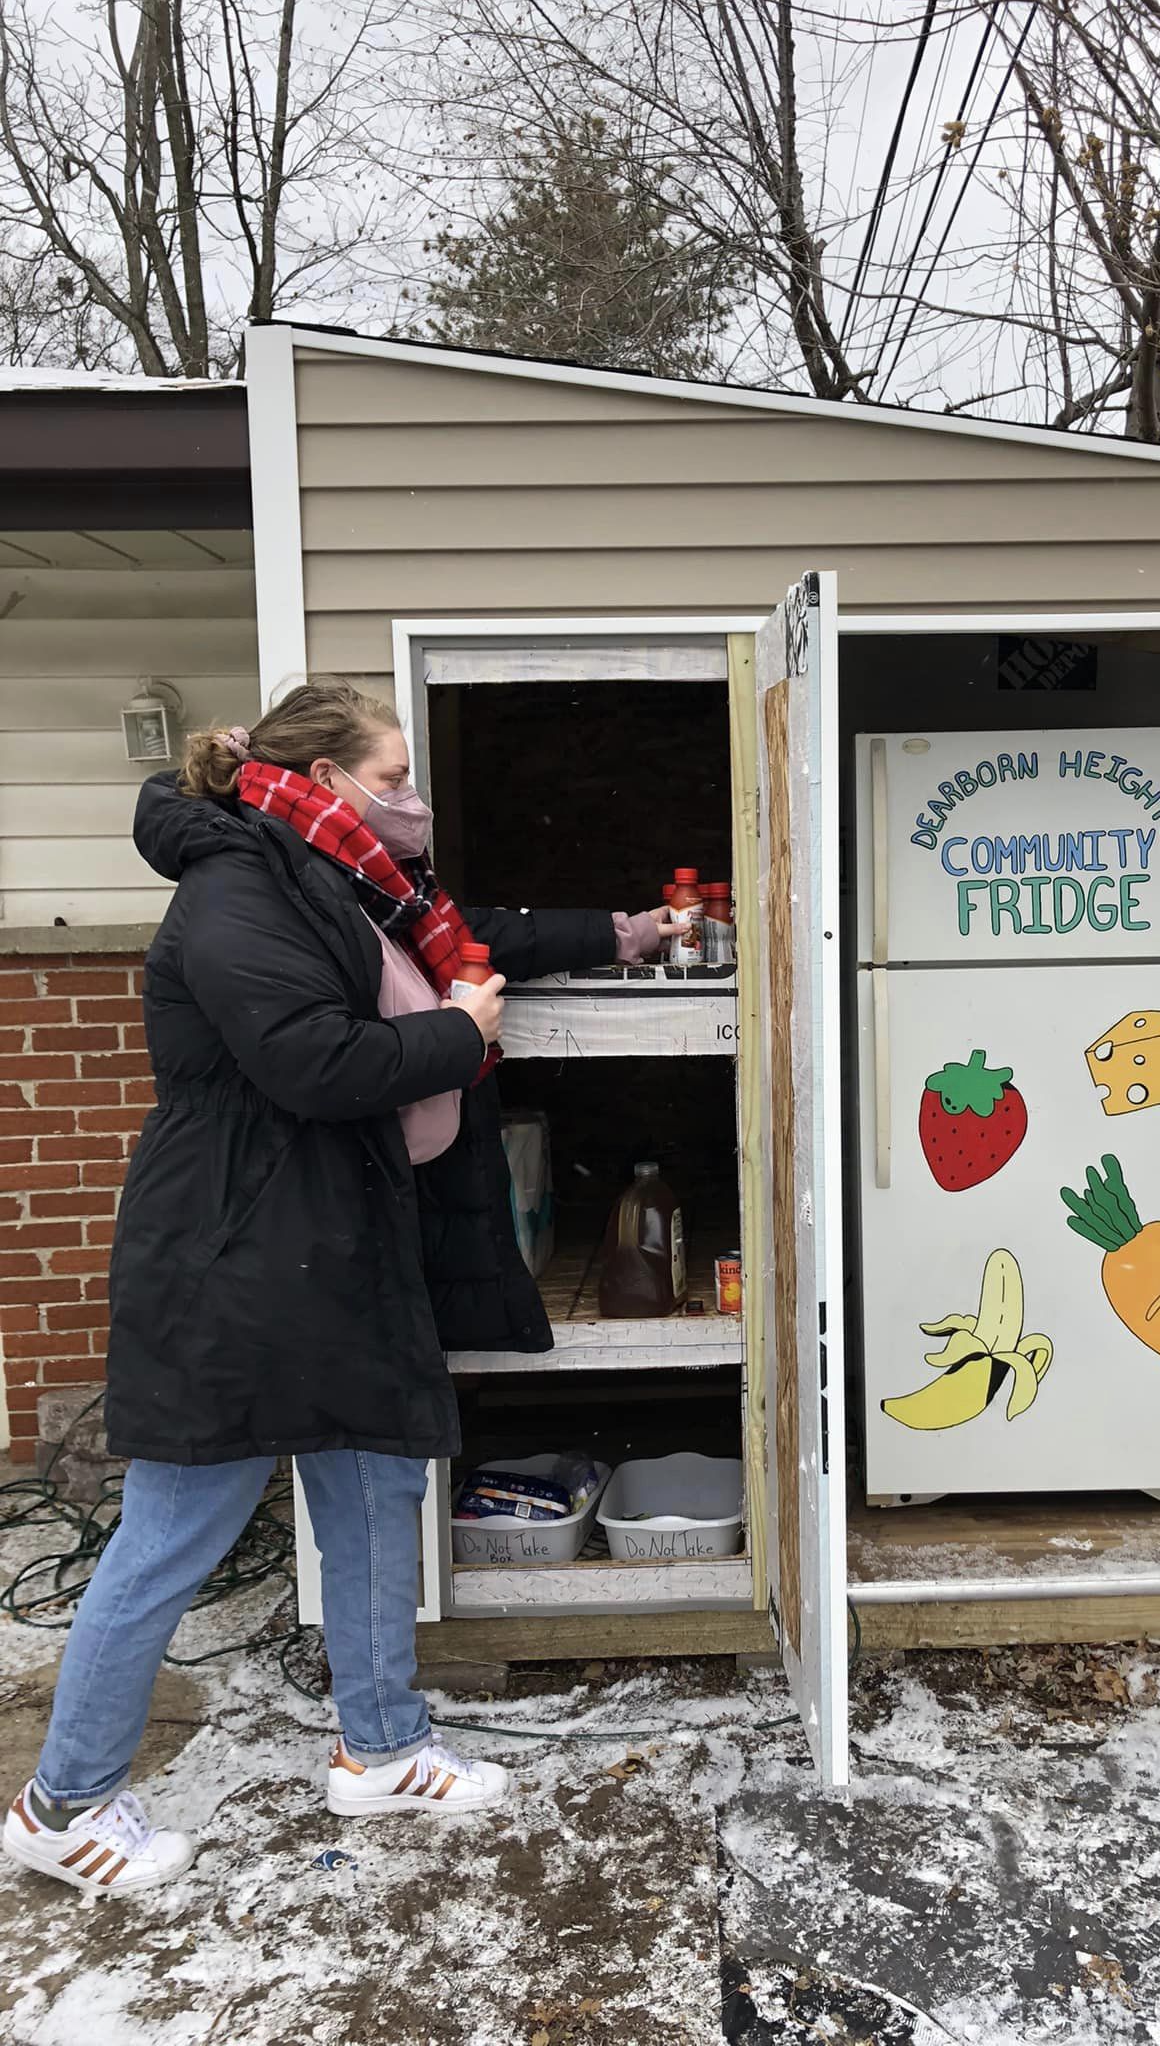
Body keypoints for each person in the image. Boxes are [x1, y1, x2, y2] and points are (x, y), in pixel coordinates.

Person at [3, 677, 679, 1897]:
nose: (413, 803)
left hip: (338, 1243)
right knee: (173, 1532)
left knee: (372, 1496)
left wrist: (621, 932)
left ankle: (383, 1743)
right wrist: (464, 1037)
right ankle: (64, 1799)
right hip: (237, 1258)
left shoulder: (348, 879)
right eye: (393, 778)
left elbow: (471, 939)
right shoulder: (235, 888)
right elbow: (313, 1059)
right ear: (322, 784)